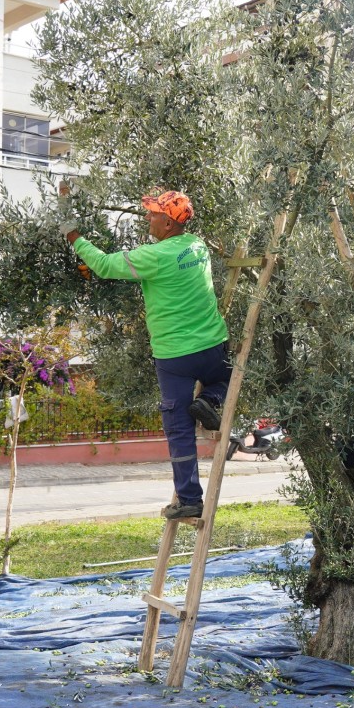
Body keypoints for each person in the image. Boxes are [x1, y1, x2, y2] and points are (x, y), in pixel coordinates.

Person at [63, 189, 230, 520]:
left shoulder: (153, 257)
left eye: (153, 214)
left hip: (174, 358)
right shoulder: (198, 246)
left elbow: (103, 265)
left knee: (179, 428)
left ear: (168, 222)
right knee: (226, 376)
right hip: (212, 345)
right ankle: (210, 399)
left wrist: (74, 238)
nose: (147, 218)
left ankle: (189, 500)